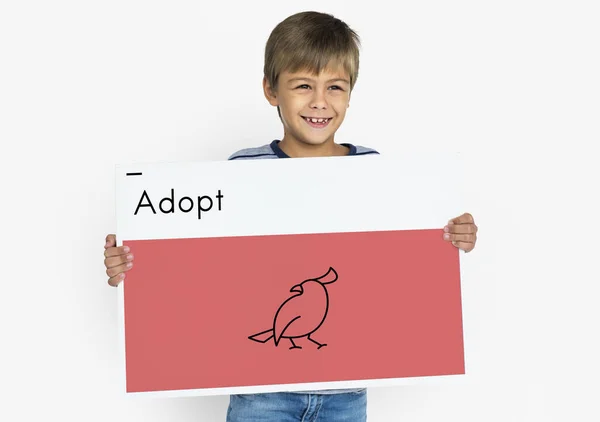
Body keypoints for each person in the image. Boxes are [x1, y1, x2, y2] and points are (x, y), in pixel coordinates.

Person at [103, 10, 478, 422]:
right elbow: (208, 273)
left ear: (351, 94)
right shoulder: (240, 171)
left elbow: (398, 270)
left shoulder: (375, 171)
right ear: (271, 90)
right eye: (303, 86)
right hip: (262, 396)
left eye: (335, 87)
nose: (320, 101)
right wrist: (138, 267)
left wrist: (450, 239)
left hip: (347, 395)